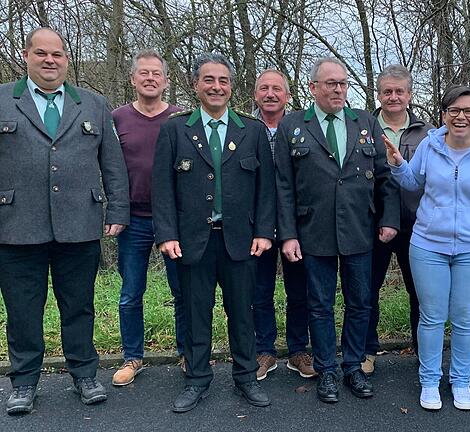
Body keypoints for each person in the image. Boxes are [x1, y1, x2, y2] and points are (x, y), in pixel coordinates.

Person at [0, 27, 129, 414]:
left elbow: (113, 165)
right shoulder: (4, 100)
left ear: (67, 59)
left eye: (57, 54)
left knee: (79, 306)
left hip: (80, 224)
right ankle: (23, 383)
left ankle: (85, 375)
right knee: (22, 309)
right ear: (26, 56)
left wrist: (118, 209)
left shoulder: (92, 104)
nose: (50, 60)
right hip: (16, 225)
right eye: (41, 53)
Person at [152, 53, 276, 413]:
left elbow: (266, 188)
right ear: (195, 85)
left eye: (223, 80)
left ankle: (246, 378)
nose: (216, 87)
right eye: (209, 80)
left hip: (240, 240)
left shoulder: (251, 130)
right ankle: (197, 380)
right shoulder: (175, 129)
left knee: (242, 312)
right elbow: (161, 187)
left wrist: (264, 232)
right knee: (195, 312)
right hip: (192, 240)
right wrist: (166, 234)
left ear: (231, 86)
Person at [273, 57, 399, 403]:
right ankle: (327, 369)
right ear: (313, 87)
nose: (339, 89)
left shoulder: (366, 122)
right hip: (313, 231)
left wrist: (389, 219)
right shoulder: (293, 125)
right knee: (320, 304)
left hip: (360, 230)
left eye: (343, 83)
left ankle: (353, 366)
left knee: (360, 301)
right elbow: (283, 185)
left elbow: (384, 178)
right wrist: (288, 234)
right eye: (331, 83)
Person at [384, 85, 470, 411]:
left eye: (468, 111)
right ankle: (429, 380)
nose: (461, 117)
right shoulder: (430, 144)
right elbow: (414, 182)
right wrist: (399, 164)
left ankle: (461, 381)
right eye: (454, 110)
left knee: (465, 318)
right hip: (428, 243)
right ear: (444, 114)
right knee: (431, 316)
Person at [111, 49, 185, 387]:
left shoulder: (181, 119)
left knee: (183, 290)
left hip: (175, 221)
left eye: (157, 73)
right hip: (134, 220)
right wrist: (115, 211)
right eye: (144, 73)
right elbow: (109, 169)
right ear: (133, 79)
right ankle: (133, 357)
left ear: (167, 81)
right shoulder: (117, 119)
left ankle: (187, 352)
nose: (150, 78)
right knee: (131, 292)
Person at [365, 64, 434, 373]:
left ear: (410, 94)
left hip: (418, 225)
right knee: (366, 290)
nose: (393, 97)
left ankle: (424, 351)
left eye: (399, 91)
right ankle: (366, 351)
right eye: (387, 91)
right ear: (378, 95)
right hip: (372, 223)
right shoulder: (363, 129)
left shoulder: (428, 133)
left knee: (419, 291)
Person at [250, 69, 316, 380]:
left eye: (277, 89)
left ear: (287, 96)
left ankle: (298, 350)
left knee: (299, 290)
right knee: (259, 290)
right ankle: (264, 350)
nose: (270, 94)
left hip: (297, 224)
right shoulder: (244, 129)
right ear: (255, 95)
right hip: (256, 224)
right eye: (264, 88)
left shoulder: (301, 127)